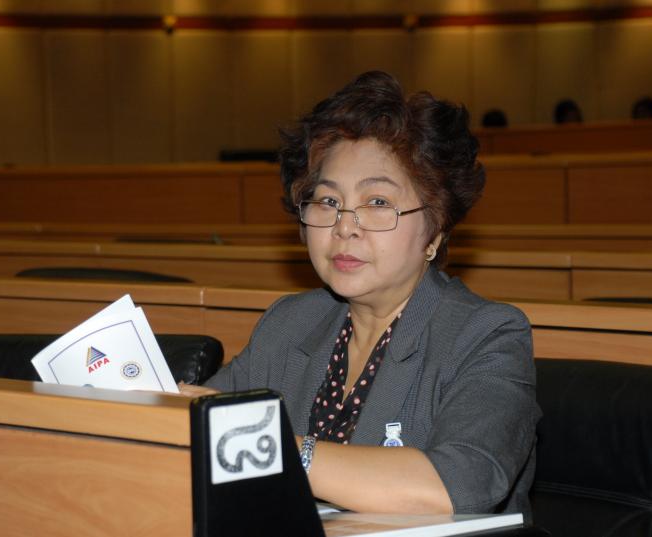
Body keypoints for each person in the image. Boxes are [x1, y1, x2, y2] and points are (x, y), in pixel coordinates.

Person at [200, 71, 540, 517]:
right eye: (327, 201)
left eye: (377, 203)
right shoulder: (290, 322)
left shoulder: (486, 335)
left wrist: (272, 446)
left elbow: (458, 485)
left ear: (435, 229)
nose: (345, 226)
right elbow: (200, 426)